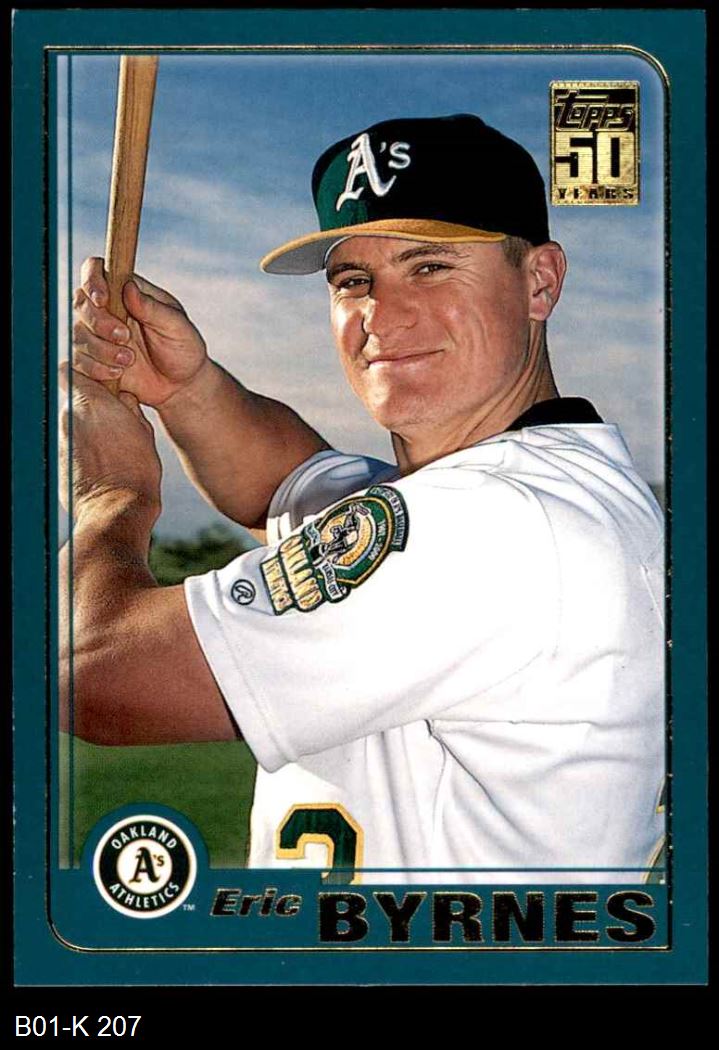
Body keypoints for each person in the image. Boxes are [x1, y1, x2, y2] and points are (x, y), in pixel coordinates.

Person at [62, 114, 665, 884]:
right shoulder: (539, 486)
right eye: (353, 281)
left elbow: (92, 671)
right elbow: (286, 481)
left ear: (538, 281)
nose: (381, 313)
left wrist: (109, 494)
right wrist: (185, 389)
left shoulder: (498, 524)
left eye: (429, 267)